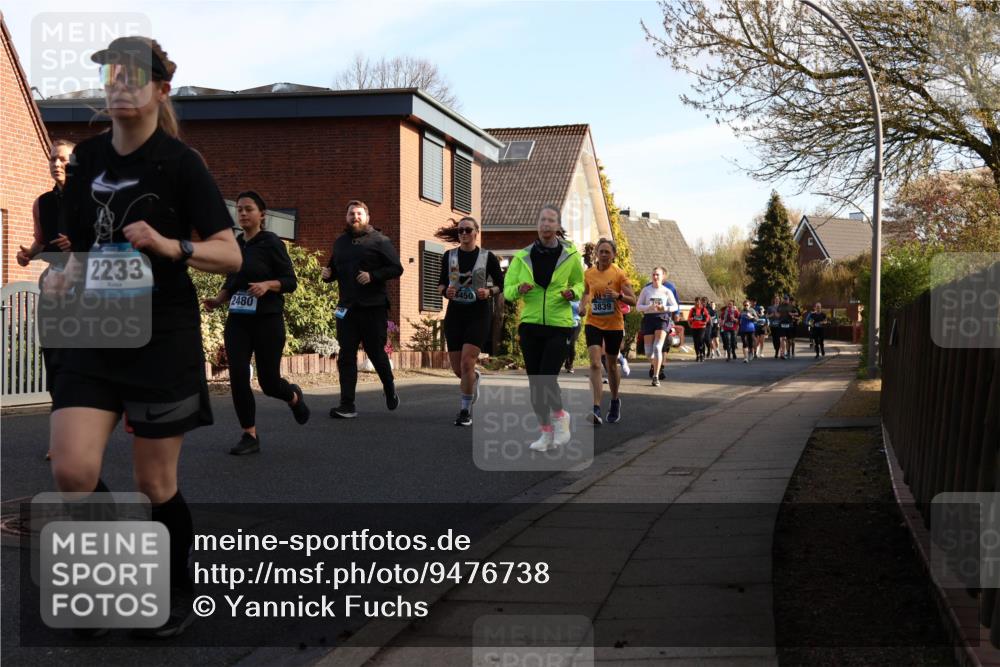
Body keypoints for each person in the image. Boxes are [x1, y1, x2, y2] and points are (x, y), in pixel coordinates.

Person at [44, 36, 242, 638]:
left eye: (134, 76)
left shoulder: (183, 164)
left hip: (161, 334)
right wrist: (65, 275)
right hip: (92, 327)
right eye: (111, 77)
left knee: (154, 483)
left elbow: (230, 255)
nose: (119, 85)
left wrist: (172, 245)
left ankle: (174, 580)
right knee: (73, 471)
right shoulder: (85, 159)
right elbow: (80, 246)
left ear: (161, 89)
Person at [203, 191, 309, 454]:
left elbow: (290, 281)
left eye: (248, 209)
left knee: (269, 383)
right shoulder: (236, 244)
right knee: (238, 377)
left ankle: (292, 396)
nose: (242, 213)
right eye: (239, 209)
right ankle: (249, 435)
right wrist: (218, 300)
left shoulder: (271, 242)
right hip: (238, 320)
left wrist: (268, 285)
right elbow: (231, 280)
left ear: (262, 215)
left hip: (267, 320)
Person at [503, 206, 584, 451]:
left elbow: (581, 283)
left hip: (559, 325)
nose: (546, 224)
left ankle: (560, 417)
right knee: (535, 383)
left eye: (551, 220)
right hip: (530, 325)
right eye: (542, 220)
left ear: (558, 226)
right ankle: (546, 433)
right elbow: (508, 290)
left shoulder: (570, 256)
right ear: (537, 225)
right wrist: (519, 289)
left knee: (547, 378)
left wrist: (574, 293)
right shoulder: (522, 257)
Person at [18, 140, 75, 461]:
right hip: (55, 285)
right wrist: (29, 253)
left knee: (80, 359)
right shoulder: (43, 202)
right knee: (54, 359)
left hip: (87, 287)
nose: (56, 164)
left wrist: (81, 242)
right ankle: (61, 438)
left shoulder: (92, 200)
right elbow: (41, 240)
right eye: (53, 158)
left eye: (63, 159)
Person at [321, 200, 403, 419]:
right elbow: (334, 269)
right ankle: (347, 404)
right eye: (350, 214)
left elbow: (397, 268)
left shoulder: (380, 240)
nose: (354, 217)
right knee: (346, 354)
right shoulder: (340, 243)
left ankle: (389, 386)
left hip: (373, 307)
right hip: (346, 308)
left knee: (375, 352)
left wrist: (373, 275)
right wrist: (328, 276)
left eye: (358, 214)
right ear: (346, 217)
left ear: (367, 217)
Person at [435, 216, 504, 426]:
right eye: (460, 231)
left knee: (466, 362)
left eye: (467, 230)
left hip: (479, 315)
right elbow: (440, 284)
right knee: (459, 369)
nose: (464, 234)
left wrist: (489, 291)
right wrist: (446, 292)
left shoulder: (487, 257)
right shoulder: (449, 256)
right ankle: (474, 377)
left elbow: (502, 284)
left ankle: (465, 411)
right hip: (455, 314)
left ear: (476, 232)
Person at [579, 238, 635, 425]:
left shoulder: (619, 274)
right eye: (600, 251)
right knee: (595, 363)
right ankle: (595, 408)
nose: (603, 255)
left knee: (611, 365)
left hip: (614, 325)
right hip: (593, 323)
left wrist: (619, 296)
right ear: (596, 254)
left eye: (607, 252)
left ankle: (615, 400)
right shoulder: (589, 274)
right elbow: (587, 292)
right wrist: (582, 305)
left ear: (613, 255)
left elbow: (633, 300)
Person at [636, 266, 678, 386]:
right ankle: (655, 364)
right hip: (648, 319)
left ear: (663, 277)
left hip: (662, 318)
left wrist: (665, 308)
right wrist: (648, 307)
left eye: (657, 275)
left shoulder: (666, 291)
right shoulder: (646, 290)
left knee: (658, 347)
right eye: (653, 274)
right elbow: (638, 306)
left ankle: (655, 376)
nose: (655, 277)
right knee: (649, 352)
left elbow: (675, 306)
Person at [688, 297, 710, 361]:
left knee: (700, 340)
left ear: (700, 302)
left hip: (702, 327)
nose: (697, 303)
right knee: (695, 342)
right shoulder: (692, 309)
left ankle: (702, 354)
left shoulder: (703, 309)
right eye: (696, 301)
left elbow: (707, 316)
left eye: (698, 302)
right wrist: (692, 319)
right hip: (694, 327)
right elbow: (689, 318)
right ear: (695, 302)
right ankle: (697, 355)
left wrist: (705, 321)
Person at [564, 299, 582, 373]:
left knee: (571, 344)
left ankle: (570, 363)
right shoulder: (563, 298)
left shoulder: (579, 299)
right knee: (564, 344)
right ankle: (566, 359)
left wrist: (580, 309)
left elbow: (583, 312)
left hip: (575, 324)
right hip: (564, 324)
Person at [738, 299, 757, 363]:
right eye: (744, 305)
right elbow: (739, 320)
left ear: (749, 305)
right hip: (743, 329)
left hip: (751, 329)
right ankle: (745, 357)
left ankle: (751, 352)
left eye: (747, 305)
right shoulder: (741, 311)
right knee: (744, 343)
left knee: (750, 343)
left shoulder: (752, 310)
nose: (745, 306)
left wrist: (751, 317)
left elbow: (757, 319)